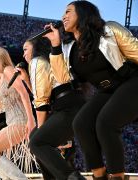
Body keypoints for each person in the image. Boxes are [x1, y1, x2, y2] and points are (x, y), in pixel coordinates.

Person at [44, 1, 138, 179]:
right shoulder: (70, 48)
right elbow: (62, 78)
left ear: (83, 13)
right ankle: (99, 176)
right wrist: (55, 45)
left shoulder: (109, 30)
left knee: (105, 122)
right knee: (81, 124)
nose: (63, 16)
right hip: (107, 90)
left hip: (132, 81)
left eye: (68, 11)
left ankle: (117, 176)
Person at [19, 37, 85, 180]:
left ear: (35, 49)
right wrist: (26, 80)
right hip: (74, 104)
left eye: (25, 49)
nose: (23, 54)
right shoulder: (48, 60)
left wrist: (41, 129)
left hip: (67, 107)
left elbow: (41, 101)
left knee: (37, 142)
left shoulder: (37, 61)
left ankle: (71, 177)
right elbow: (44, 93)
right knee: (36, 139)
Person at [0, 47, 36, 180]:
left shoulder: (8, 70)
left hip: (20, 121)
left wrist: (31, 119)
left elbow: (24, 93)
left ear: (0, 60)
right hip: (13, 122)